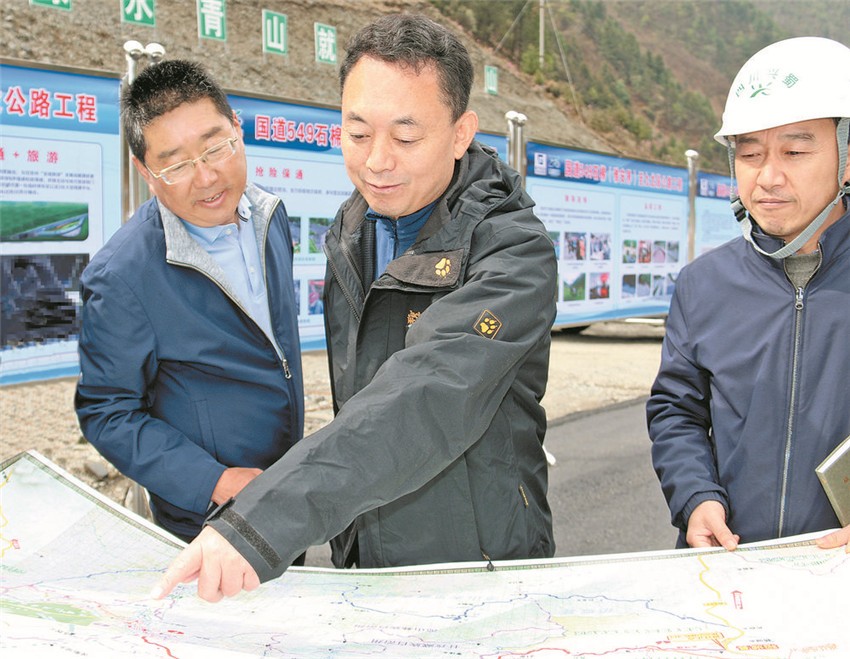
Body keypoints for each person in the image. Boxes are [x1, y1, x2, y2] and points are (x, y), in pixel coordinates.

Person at [152, 13, 557, 602]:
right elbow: (358, 403)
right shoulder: (351, 231)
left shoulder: (513, 252)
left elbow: (426, 397)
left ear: (460, 133)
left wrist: (262, 521)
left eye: (406, 138)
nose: (377, 161)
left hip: (477, 569)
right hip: (365, 557)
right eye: (358, 134)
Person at [75, 60, 304, 543]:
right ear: (145, 171)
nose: (206, 177)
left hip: (287, 489)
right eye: (176, 164)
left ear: (237, 128)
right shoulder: (122, 277)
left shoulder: (270, 216)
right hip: (207, 519)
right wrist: (214, 481)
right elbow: (107, 411)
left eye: (215, 147)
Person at [647, 36, 850, 553]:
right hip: (731, 570)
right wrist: (695, 497)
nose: (768, 177)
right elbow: (676, 411)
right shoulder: (703, 284)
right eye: (750, 153)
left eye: (795, 152)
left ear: (847, 158)